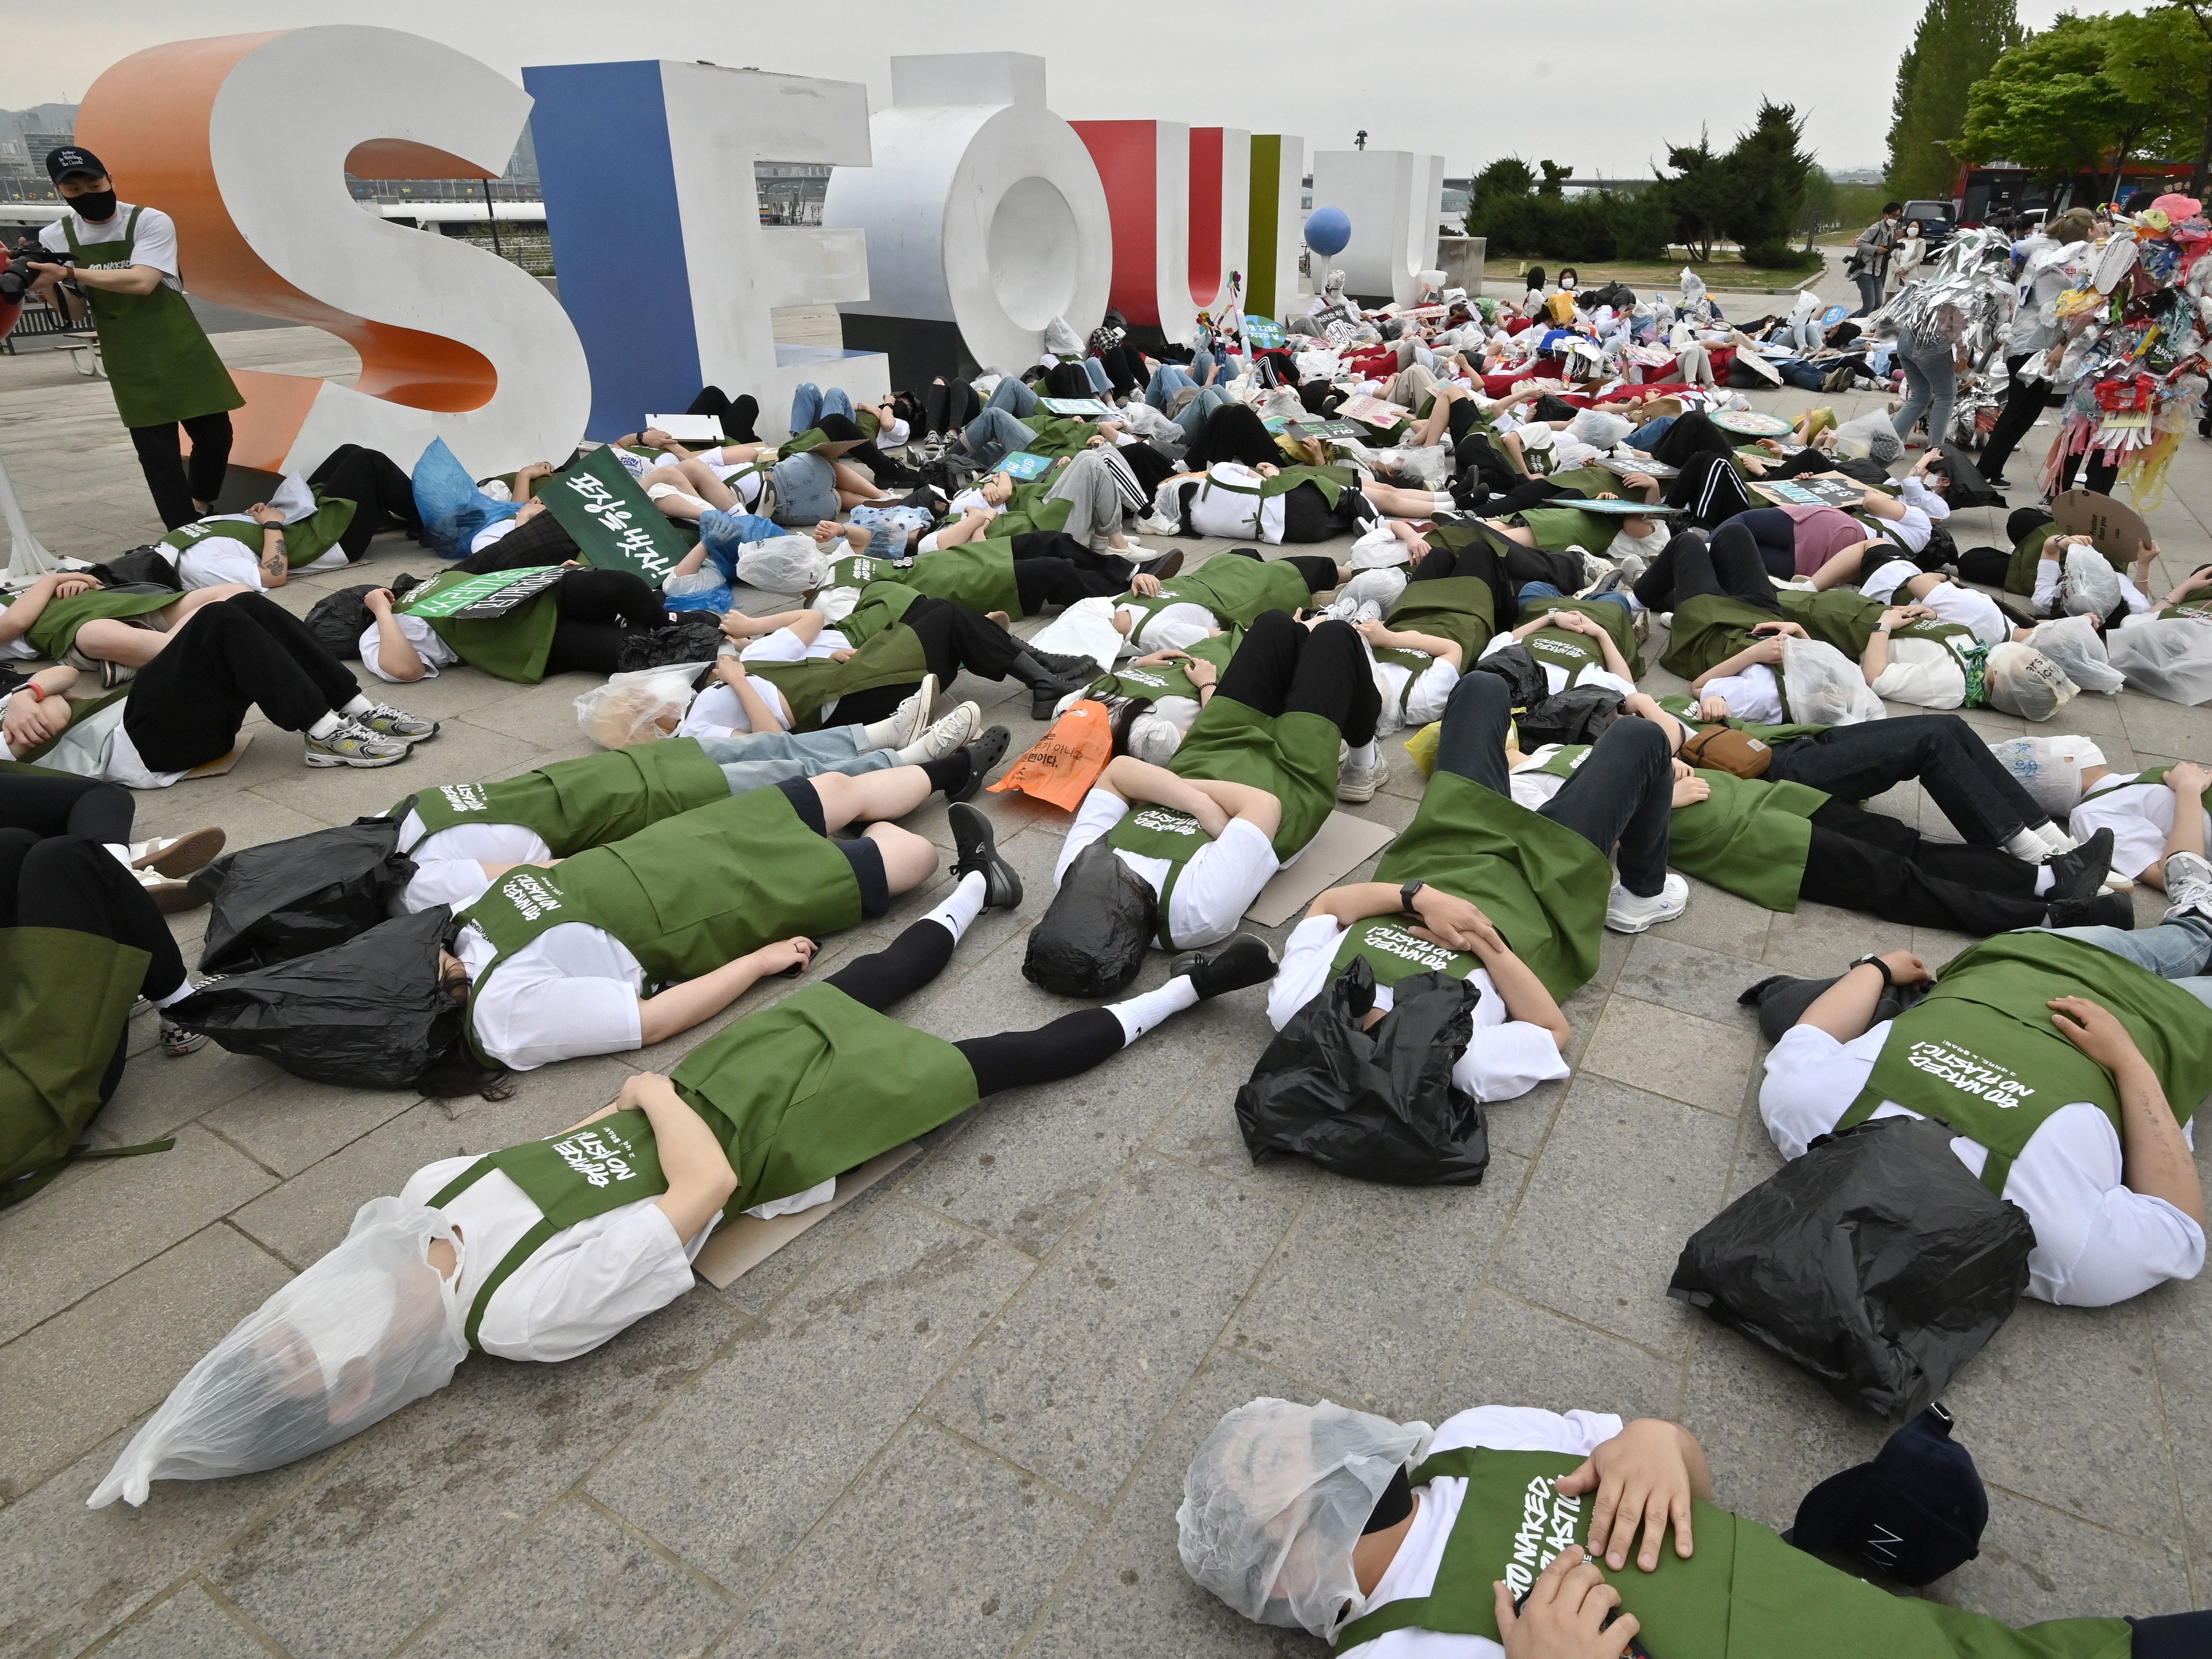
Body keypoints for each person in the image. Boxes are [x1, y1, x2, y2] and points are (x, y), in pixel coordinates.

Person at [90, 832, 1281, 1507]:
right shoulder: (520, 1318)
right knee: (990, 1064)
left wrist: (655, 1095)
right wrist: (655, 1092)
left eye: (292, 1315)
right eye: (322, 1343)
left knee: (857, 982)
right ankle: (1189, 989)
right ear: (361, 1386)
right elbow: (700, 1195)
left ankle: (974, 885)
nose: (326, 1305)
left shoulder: (422, 1207)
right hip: (767, 1143)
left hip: (703, 1095)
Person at [1176, 1397, 2211, 1656]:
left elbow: (1693, 1496)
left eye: (1296, 1420)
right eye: (1282, 1461)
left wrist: (1661, 1438)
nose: (1319, 1434)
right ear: (1289, 1569)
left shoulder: (1468, 1437)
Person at [1527, 697, 2125, 935]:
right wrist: (1657, 793)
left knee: (1911, 849)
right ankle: (2050, 915)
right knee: (1897, 881)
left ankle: (2048, 873)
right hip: (1755, 835)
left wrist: (1669, 760)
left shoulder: (1584, 751)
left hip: (1777, 797)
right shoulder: (1548, 779)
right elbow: (1571, 845)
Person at [1044, 610, 1379, 960]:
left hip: (1206, 755)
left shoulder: (1074, 877)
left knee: (1274, 626)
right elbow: (1264, 806)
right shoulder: (1193, 917)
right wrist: (1165, 788)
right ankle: (1364, 760)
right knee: (1337, 638)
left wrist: (1200, 804)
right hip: (1288, 781)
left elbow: (1118, 770)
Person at [20, 147, 244, 529]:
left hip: (180, 345)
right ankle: (182, 532)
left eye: (95, 183)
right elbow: (74, 312)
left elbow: (143, 281)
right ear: (59, 190)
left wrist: (71, 274)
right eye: (74, 190)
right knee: (158, 455)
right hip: (128, 354)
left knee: (216, 436)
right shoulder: (56, 235)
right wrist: (45, 285)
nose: (89, 194)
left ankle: (201, 503)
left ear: (110, 179)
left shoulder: (149, 220)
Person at [1978, 208, 2098, 488]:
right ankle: (1986, 469)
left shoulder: (2043, 249)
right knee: (2020, 412)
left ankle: (1990, 468)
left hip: (2026, 342)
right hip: (2034, 346)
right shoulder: (2059, 258)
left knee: (2023, 412)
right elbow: (2083, 290)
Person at [1850, 202, 1904, 315]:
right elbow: (1860, 243)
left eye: (1898, 216)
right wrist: (1875, 249)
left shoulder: (1891, 231)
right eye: (1894, 216)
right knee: (1869, 305)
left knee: (1877, 304)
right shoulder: (1877, 228)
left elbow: (1887, 252)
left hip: (1878, 273)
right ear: (1886, 215)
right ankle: (1853, 327)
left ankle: (1847, 322)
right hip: (1866, 270)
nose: (1896, 219)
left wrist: (1894, 241)